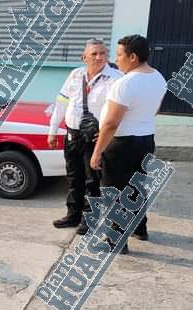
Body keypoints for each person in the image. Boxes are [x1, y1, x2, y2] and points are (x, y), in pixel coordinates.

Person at [91, 34, 167, 254]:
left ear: (132, 57)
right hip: (145, 140)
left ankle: (115, 241)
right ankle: (140, 228)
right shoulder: (158, 78)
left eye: (119, 55)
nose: (116, 60)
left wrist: (98, 152)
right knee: (136, 187)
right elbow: (155, 110)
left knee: (114, 192)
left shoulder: (125, 83)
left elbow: (112, 122)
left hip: (122, 144)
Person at [49, 38, 123, 235]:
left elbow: (123, 110)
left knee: (93, 180)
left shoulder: (116, 78)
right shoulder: (75, 75)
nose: (99, 57)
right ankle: (72, 215)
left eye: (103, 53)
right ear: (84, 57)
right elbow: (61, 102)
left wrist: (110, 132)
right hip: (72, 135)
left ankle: (89, 219)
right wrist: (53, 129)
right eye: (94, 54)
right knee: (74, 177)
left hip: (95, 138)